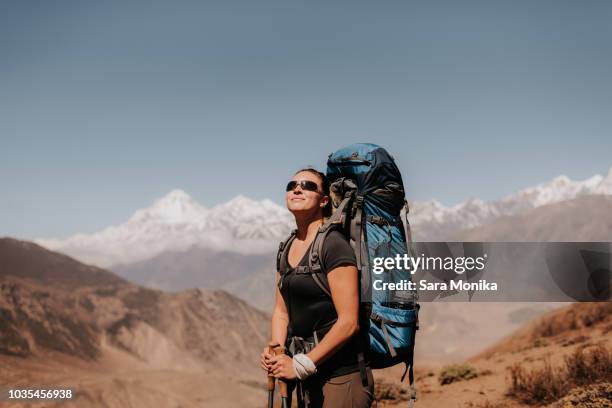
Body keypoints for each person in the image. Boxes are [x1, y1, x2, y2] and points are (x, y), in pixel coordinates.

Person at [260, 168, 374, 408]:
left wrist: (301, 365)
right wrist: (278, 351)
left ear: (324, 201)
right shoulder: (287, 247)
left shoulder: (334, 245)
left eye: (308, 185)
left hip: (341, 378)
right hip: (307, 376)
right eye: (292, 185)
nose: (297, 189)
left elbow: (349, 322)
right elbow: (281, 311)